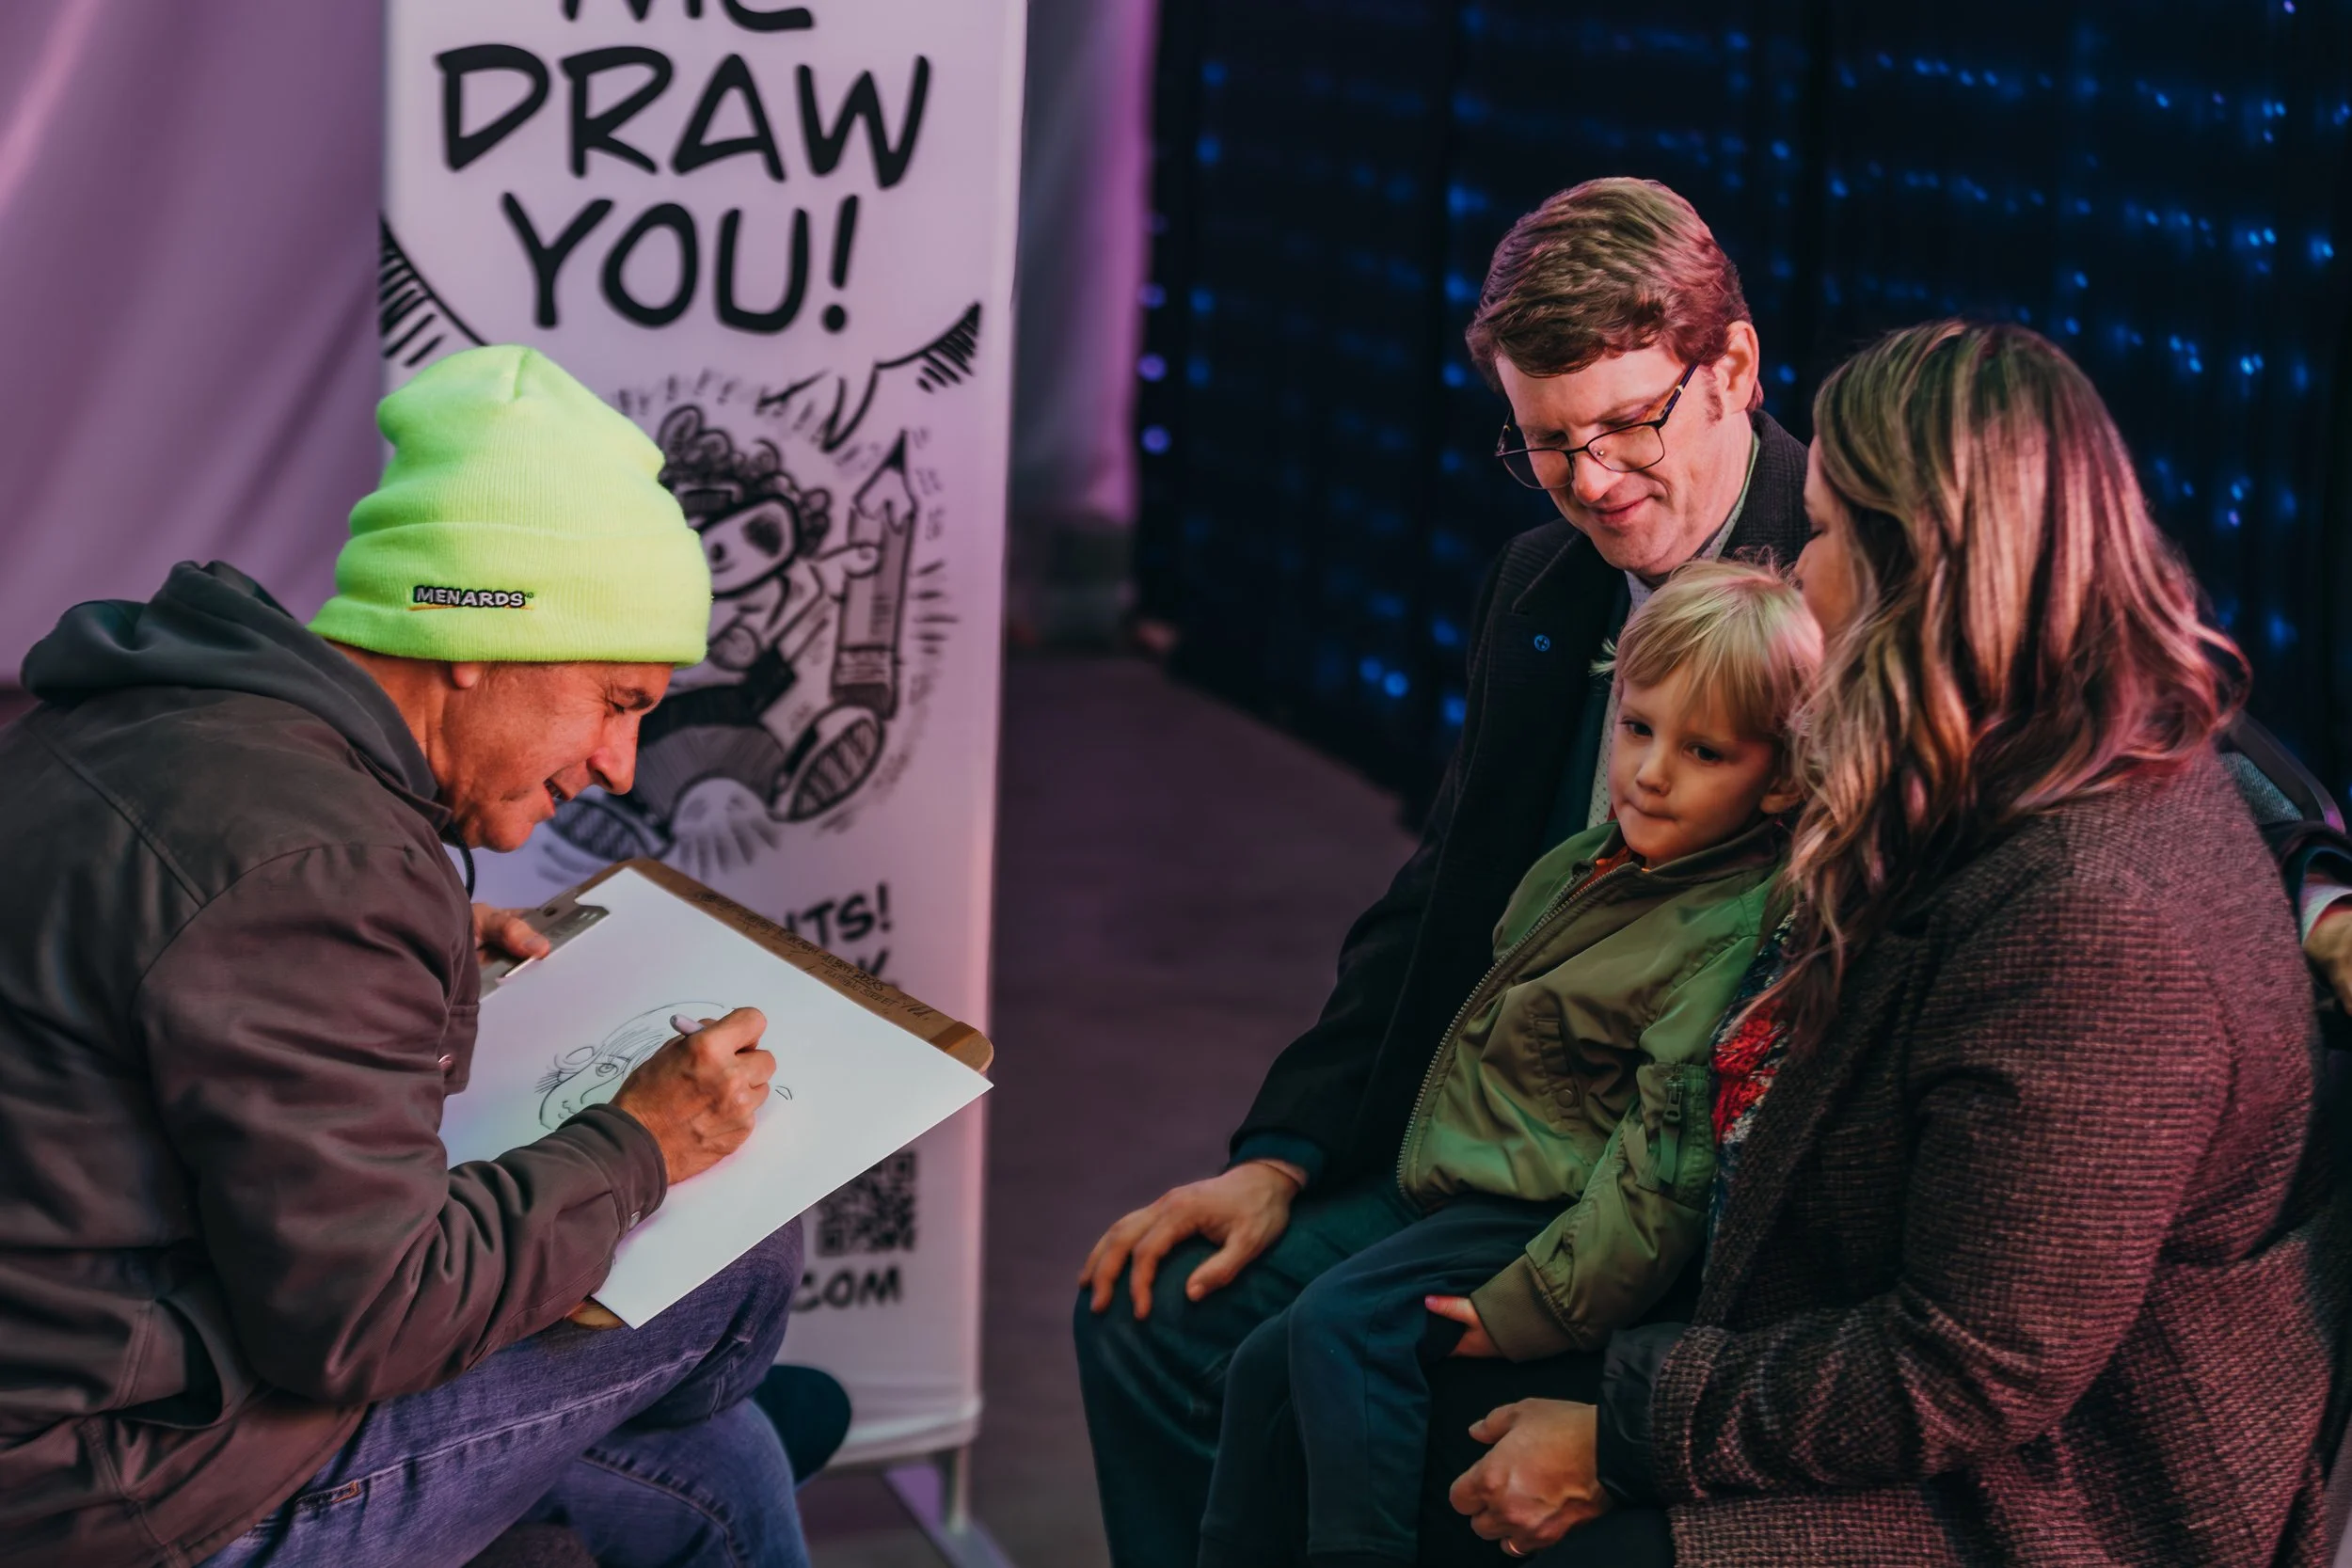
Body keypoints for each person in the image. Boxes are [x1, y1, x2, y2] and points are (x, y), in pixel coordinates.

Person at [1442, 321, 2333, 1564]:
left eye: (1818, 533)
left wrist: (1626, 1431)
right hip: (1875, 1352)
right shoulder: (2010, 745)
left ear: (1923, 568)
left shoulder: (2097, 914)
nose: (1798, 574)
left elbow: (1976, 1366)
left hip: (2063, 1492)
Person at [1074, 175, 1814, 1567]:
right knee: (1156, 1315)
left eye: (1629, 423)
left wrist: (2324, 890)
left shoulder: (1849, 568)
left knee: (1332, 1357)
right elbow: (1440, 903)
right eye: (1548, 440)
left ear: (1734, 369)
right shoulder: (1541, 583)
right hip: (1496, 1143)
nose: (1592, 479)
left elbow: (2155, 715)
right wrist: (1285, 1149)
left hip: (1688, 1210)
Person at [0, 345, 810, 1568]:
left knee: (726, 1463)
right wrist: (637, 1143)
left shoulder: (162, 719)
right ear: (479, 630)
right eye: (619, 698)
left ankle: (631, 1432)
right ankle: (643, 1398)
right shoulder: (317, 869)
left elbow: (193, 938)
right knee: (736, 1255)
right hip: (107, 1487)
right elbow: (365, 1317)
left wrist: (408, 950)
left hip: (67, 1383)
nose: (619, 764)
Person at [1196, 562, 1820, 1567]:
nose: (1651, 772)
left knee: (1342, 1326)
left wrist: (1533, 1302)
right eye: (1637, 728)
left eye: (1703, 750)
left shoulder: (1727, 920)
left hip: (1538, 1212)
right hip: (1478, 1185)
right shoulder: (1597, 864)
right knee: (1270, 1357)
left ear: (1781, 777)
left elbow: (1661, 1169)